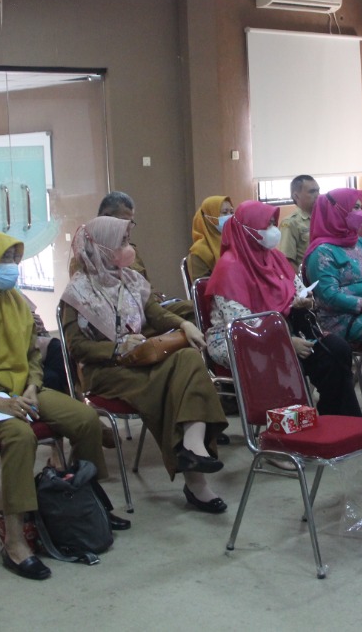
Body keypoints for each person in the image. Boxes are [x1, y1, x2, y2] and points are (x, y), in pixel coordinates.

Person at [0, 229, 114, 581]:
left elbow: (32, 355)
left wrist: (33, 386)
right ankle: (15, 539)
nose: (11, 267)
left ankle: (88, 502)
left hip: (21, 390)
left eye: (14, 259)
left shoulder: (16, 302)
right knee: (19, 436)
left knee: (83, 418)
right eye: (3, 259)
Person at [61, 216, 230, 514]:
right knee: (173, 386)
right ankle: (195, 479)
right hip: (106, 371)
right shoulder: (76, 294)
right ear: (100, 248)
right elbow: (77, 347)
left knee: (188, 358)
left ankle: (192, 445)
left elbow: (155, 313)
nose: (129, 249)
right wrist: (116, 348)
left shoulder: (130, 280)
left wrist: (183, 325)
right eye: (122, 243)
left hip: (141, 360)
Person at [206, 201, 361, 417]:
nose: (273, 231)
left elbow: (298, 290)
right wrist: (286, 343)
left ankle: (338, 418)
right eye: (266, 225)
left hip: (286, 327)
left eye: (272, 224)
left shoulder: (275, 258)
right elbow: (243, 324)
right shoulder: (229, 267)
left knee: (336, 349)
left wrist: (306, 302)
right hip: (238, 338)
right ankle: (295, 426)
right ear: (247, 229)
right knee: (288, 358)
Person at [96, 190, 196, 323]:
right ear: (106, 217)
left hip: (149, 309)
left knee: (196, 309)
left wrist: (153, 295)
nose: (128, 228)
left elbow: (147, 290)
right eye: (125, 222)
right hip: (123, 320)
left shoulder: (131, 251)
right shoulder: (88, 257)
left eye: (131, 223)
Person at [304, 188, 362, 344]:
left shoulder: (360, 242)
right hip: (343, 319)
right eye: (355, 207)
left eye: (360, 207)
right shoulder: (322, 253)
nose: (360, 213)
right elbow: (329, 296)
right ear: (337, 211)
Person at [186, 195, 234, 281]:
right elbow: (201, 289)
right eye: (224, 212)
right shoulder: (200, 252)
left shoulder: (233, 242)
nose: (230, 216)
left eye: (231, 212)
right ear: (209, 217)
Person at [279, 175, 319, 272]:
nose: (318, 195)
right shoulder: (291, 223)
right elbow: (287, 260)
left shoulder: (323, 218)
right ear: (296, 196)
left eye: (318, 190)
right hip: (307, 281)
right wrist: (302, 284)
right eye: (312, 191)